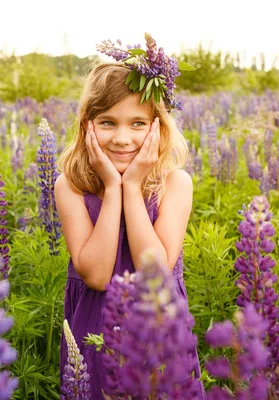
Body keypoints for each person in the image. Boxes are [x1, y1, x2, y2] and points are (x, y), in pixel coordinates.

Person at [55, 35, 204, 399]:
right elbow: (97, 273)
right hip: (96, 331)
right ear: (86, 125)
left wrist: (133, 186)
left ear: (159, 126)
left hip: (159, 331)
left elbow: (154, 267)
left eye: (138, 123)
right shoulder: (71, 186)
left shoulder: (175, 184)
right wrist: (111, 187)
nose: (123, 138)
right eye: (108, 122)